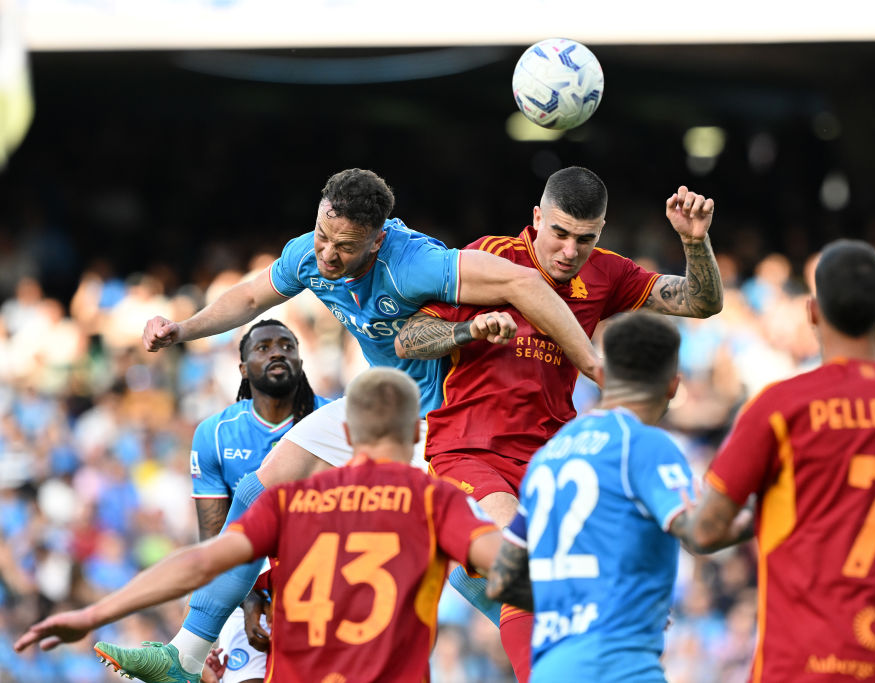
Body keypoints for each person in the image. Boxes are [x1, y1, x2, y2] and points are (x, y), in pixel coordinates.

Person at [100, 167, 601, 682]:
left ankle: (565, 660)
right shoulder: (310, 251)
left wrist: (591, 364)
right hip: (376, 402)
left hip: (439, 419)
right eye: (322, 235)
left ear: (377, 240)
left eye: (344, 246)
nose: (326, 255)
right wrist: (183, 329)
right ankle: (183, 657)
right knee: (261, 489)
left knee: (475, 567)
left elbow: (522, 282)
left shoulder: (417, 263)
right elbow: (251, 298)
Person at [394, 166, 723, 680]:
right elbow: (409, 337)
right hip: (468, 451)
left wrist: (694, 243)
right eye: (560, 234)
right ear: (536, 219)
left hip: (549, 461)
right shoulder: (491, 258)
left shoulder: (608, 274)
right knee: (528, 565)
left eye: (585, 239)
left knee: (545, 590)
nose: (570, 251)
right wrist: (470, 331)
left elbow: (701, 302)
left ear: (602, 233)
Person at [14, 367, 504, 683]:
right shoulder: (435, 502)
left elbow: (198, 565)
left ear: (347, 433)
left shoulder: (289, 502)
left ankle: (182, 655)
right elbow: (511, 573)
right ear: (419, 433)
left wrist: (93, 614)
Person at [675, 239, 875, 682]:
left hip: (801, 665)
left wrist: (745, 519)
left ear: (813, 312)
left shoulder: (779, 407)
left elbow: (703, 532)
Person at [484, 311, 709, 681]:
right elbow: (699, 533)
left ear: (601, 375)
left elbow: (502, 581)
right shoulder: (644, 443)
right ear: (673, 385)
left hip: (550, 670)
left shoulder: (548, 458)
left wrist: (573, 605)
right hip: (618, 667)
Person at [189, 319, 330, 683]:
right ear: (242, 369)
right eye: (263, 348)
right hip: (247, 583)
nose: (277, 352)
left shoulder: (334, 419)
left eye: (287, 346)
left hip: (325, 577)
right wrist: (250, 602)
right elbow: (215, 537)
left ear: (300, 361)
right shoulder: (214, 434)